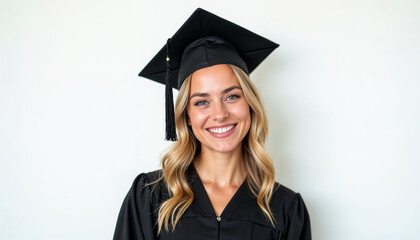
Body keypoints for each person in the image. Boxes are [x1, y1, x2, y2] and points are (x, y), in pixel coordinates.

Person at [113, 8, 311, 240]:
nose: (219, 114)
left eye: (231, 96)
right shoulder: (150, 197)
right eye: (202, 102)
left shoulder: (285, 209)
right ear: (186, 115)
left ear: (250, 104)